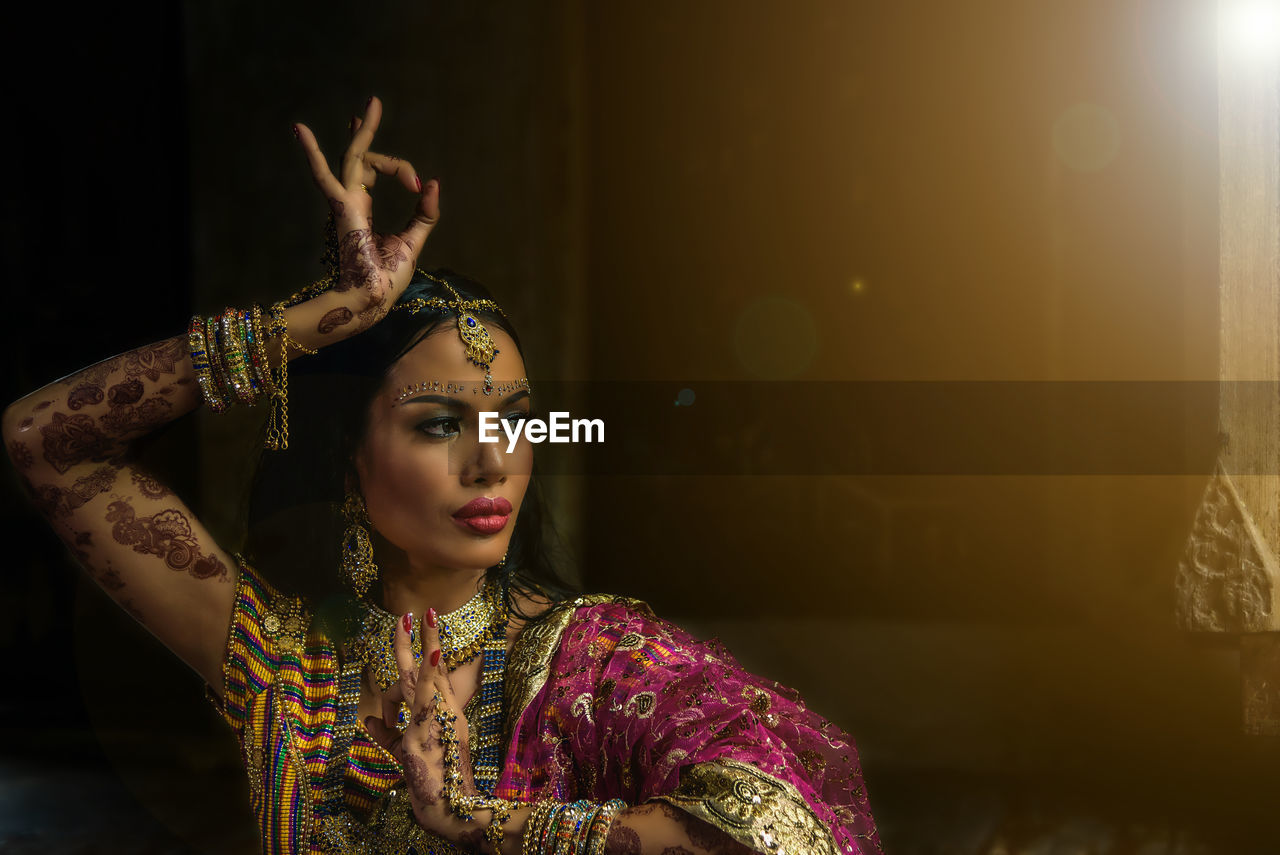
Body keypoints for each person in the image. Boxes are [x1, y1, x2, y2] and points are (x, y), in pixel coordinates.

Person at [2, 97, 882, 855]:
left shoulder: (597, 662)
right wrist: (317, 322)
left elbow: (786, 827)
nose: (491, 456)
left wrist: (483, 823)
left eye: (512, 417)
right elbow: (47, 440)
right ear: (348, 451)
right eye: (438, 423)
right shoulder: (283, 667)